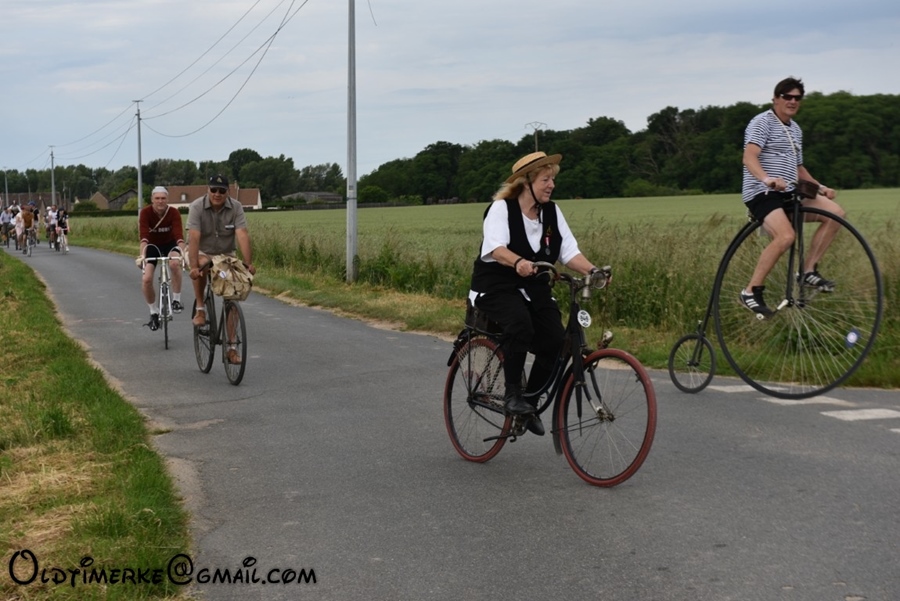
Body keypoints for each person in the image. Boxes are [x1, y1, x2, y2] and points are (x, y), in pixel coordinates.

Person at [468, 152, 605, 436]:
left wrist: (593, 271)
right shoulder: (501, 209)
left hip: (534, 288)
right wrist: (517, 262)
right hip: (496, 286)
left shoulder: (551, 213)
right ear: (526, 183)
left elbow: (569, 252)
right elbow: (496, 249)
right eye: (545, 179)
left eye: (552, 179)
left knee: (556, 341)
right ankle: (512, 394)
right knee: (520, 323)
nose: (551, 185)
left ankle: (528, 404)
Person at [740, 77, 843, 317]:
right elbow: (749, 157)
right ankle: (750, 291)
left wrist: (820, 187)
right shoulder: (762, 122)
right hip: (763, 193)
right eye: (787, 96)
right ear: (775, 99)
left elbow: (798, 169)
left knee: (836, 213)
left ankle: (807, 271)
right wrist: (767, 179)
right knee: (786, 236)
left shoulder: (795, 129)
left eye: (797, 98)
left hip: (790, 192)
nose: (792, 101)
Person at [187, 174, 256, 364]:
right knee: (203, 266)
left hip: (226, 255)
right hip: (202, 251)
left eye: (222, 191)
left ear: (228, 191)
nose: (217, 194)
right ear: (207, 190)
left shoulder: (236, 207)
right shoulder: (196, 207)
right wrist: (194, 266)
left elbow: (242, 234)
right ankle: (200, 308)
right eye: (213, 190)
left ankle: (231, 348)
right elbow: (194, 237)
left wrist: (248, 264)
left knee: (233, 295)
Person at [139, 186, 187, 331]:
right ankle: (153, 312)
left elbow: (179, 236)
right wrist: (142, 256)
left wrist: (183, 253)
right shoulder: (145, 213)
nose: (160, 201)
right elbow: (144, 237)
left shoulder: (173, 212)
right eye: (157, 198)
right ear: (152, 199)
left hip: (170, 244)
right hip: (152, 245)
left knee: (174, 264)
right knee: (146, 279)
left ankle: (176, 300)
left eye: (163, 198)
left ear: (167, 199)